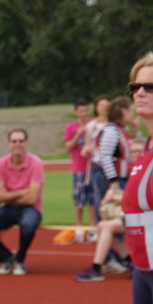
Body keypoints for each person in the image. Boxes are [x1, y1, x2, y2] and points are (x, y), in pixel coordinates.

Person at [121, 51, 153, 304]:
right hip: (143, 271)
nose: (140, 93)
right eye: (135, 87)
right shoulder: (146, 147)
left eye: (151, 87)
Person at [0, 128, 44, 276]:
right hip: (9, 208)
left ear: (26, 143)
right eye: (14, 141)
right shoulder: (2, 163)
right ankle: (7, 258)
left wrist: (9, 194)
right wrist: (23, 191)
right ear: (8, 144)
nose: (17, 144)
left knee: (28, 225)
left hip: (30, 208)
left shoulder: (36, 163)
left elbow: (33, 198)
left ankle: (19, 260)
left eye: (21, 141)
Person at [73, 138, 144, 282]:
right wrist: (114, 194)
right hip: (135, 214)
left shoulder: (147, 169)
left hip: (146, 216)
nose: (135, 154)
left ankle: (96, 268)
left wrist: (116, 198)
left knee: (106, 227)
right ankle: (129, 262)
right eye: (132, 151)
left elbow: (142, 197)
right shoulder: (135, 169)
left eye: (138, 151)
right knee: (103, 226)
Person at [91, 96, 137, 220]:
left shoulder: (121, 129)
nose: (133, 113)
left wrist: (135, 130)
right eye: (130, 110)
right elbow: (105, 157)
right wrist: (113, 181)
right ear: (122, 110)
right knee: (110, 215)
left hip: (120, 178)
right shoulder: (111, 130)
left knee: (119, 215)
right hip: (112, 179)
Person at [63, 98, 96, 239]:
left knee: (93, 199)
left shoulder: (93, 124)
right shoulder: (70, 127)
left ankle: (93, 228)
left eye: (85, 110)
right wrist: (78, 134)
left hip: (92, 168)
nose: (83, 113)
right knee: (79, 199)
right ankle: (79, 228)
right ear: (76, 112)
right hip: (79, 169)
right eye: (80, 111)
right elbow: (68, 147)